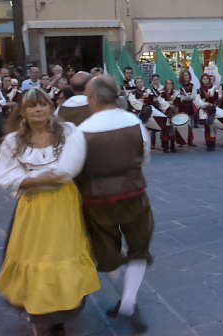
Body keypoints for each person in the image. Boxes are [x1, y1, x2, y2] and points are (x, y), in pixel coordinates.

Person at [0, 88, 99, 336]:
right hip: (34, 206)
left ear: (51, 107)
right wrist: (37, 181)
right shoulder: (12, 141)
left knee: (65, 252)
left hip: (64, 203)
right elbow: (7, 174)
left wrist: (55, 176)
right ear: (23, 111)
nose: (38, 109)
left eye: (43, 104)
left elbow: (74, 164)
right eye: (32, 105)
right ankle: (39, 315)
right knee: (37, 256)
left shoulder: (69, 132)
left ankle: (62, 312)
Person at [77, 76, 153, 332]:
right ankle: (129, 300)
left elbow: (73, 168)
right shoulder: (135, 123)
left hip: (97, 200)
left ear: (94, 98)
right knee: (138, 247)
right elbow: (144, 156)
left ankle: (127, 299)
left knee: (107, 252)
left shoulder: (83, 130)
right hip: (134, 193)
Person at [196, 73, 220, 151]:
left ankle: (212, 144)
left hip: (213, 109)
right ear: (201, 80)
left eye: (206, 79)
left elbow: (217, 99)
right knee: (207, 127)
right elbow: (198, 100)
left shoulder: (214, 88)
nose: (205, 80)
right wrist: (205, 104)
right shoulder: (199, 90)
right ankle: (208, 144)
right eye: (203, 79)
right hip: (204, 109)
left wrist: (213, 105)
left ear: (209, 80)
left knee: (212, 127)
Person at [176, 69, 196, 147]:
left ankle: (190, 140)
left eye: (187, 75)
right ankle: (181, 141)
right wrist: (185, 97)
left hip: (189, 106)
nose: (186, 77)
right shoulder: (179, 85)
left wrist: (187, 97)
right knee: (181, 123)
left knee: (190, 124)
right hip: (181, 106)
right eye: (184, 75)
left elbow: (194, 96)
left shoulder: (192, 85)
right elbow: (178, 96)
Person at [157, 78, 178, 153]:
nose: (169, 85)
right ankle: (165, 147)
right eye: (168, 83)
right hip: (165, 114)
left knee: (173, 130)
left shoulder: (176, 93)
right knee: (165, 130)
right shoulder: (162, 93)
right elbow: (161, 102)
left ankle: (172, 146)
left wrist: (174, 106)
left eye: (171, 83)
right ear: (165, 85)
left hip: (173, 114)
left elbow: (177, 102)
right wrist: (169, 105)